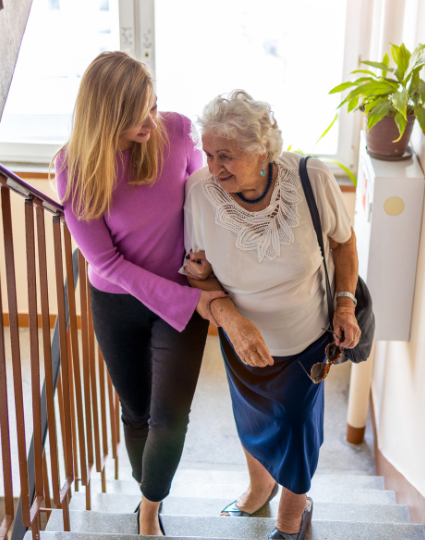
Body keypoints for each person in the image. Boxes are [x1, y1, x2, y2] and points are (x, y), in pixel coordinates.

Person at [54, 51, 226, 537]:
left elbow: (202, 196)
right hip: (118, 303)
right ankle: (147, 486)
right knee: (136, 412)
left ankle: (149, 509)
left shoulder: (174, 130)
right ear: (107, 115)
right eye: (138, 115)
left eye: (153, 106)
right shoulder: (74, 168)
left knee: (170, 417)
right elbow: (106, 262)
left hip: (180, 293)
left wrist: (204, 262)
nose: (151, 120)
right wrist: (190, 302)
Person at [182, 90, 361, 540]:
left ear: (262, 150)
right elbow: (198, 274)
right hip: (241, 341)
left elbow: (343, 242)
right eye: (208, 154)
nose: (214, 166)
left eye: (227, 155)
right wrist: (230, 319)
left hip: (308, 341)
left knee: (299, 428)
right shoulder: (200, 193)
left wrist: (344, 303)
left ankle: (290, 516)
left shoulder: (310, 177)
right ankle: (259, 488)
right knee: (254, 420)